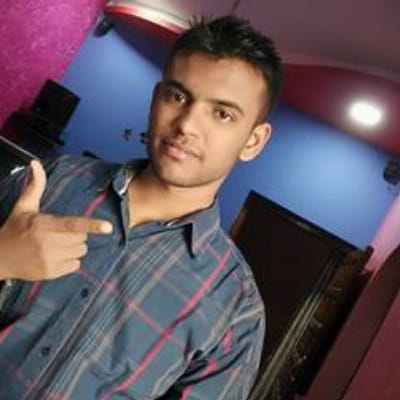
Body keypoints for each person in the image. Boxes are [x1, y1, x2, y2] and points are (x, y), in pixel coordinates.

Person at [0, 15, 282, 400]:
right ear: (156, 99)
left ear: (253, 141)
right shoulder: (54, 181)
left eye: (222, 114)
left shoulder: (236, 308)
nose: (187, 125)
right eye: (178, 96)